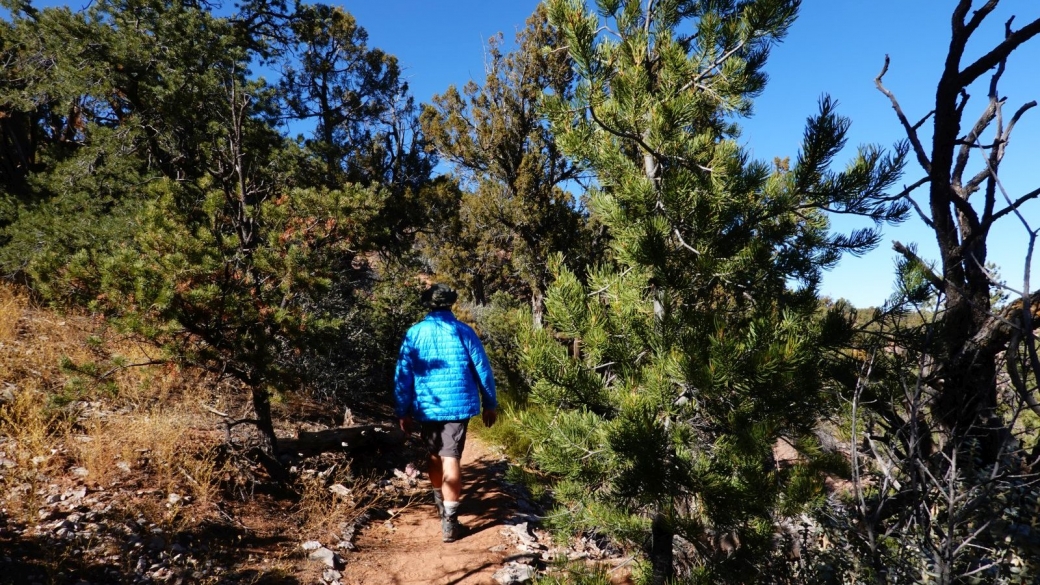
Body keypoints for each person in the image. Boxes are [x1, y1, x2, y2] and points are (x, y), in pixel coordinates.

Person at [393, 284, 498, 543]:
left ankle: (440, 501)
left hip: (427, 405)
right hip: (457, 404)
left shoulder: (414, 333)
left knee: (434, 454)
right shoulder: (464, 331)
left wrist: (402, 410)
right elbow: (482, 369)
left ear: (428, 304)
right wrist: (490, 403)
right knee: (451, 456)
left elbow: (403, 376)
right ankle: (450, 522)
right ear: (451, 303)